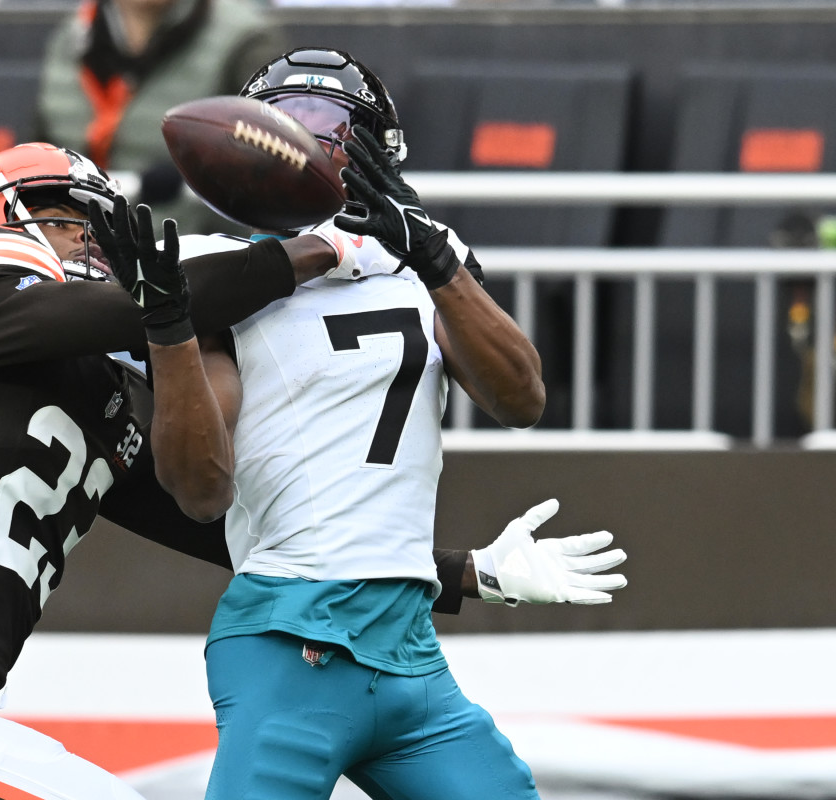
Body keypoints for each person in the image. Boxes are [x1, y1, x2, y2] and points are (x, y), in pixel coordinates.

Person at [0, 138, 623, 800]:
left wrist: (462, 573)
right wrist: (322, 249)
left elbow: (229, 534)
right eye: (67, 217)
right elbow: (153, 301)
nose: (88, 236)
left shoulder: (98, 401)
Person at [104, 47, 628, 800]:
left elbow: (521, 400)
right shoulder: (220, 273)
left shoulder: (422, 257)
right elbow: (200, 491)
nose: (312, 142)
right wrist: (171, 329)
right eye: (286, 124)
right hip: (294, 639)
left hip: (409, 649)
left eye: (333, 125)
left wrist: (430, 257)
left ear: (377, 153)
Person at [31, 0, 286, 236]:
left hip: (198, 259)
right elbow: (37, 159)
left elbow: (276, 164)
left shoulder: (246, 40)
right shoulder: (71, 35)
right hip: (80, 249)